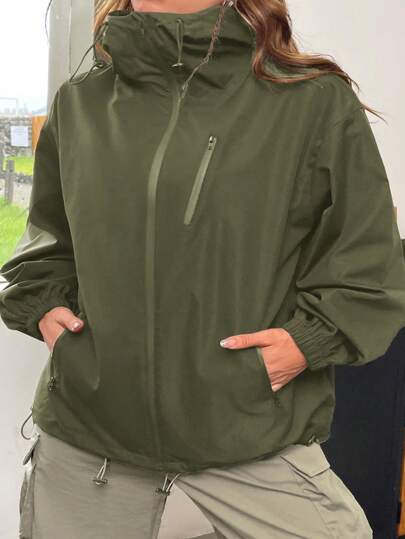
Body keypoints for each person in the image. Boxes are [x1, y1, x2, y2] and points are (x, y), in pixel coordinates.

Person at [1, 0, 404, 537]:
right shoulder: (81, 103)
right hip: (90, 433)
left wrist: (301, 345)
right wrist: (48, 310)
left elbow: (370, 266)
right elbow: (48, 246)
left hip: (249, 427)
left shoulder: (312, 100)